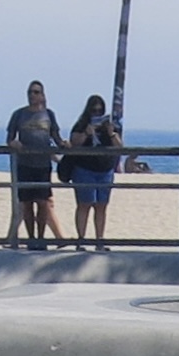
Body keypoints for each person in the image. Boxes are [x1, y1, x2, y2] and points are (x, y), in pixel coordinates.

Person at [5, 80, 66, 248]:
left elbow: (56, 137)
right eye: (30, 92)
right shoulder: (19, 114)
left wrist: (63, 144)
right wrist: (13, 143)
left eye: (36, 92)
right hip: (24, 164)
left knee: (43, 203)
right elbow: (9, 138)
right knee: (26, 204)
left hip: (43, 165)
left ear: (42, 95)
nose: (33, 95)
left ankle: (40, 237)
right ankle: (31, 238)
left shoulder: (49, 115)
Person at [66, 95, 121, 249]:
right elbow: (74, 142)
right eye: (94, 111)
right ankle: (81, 240)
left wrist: (111, 133)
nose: (97, 113)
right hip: (85, 169)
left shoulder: (109, 126)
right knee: (84, 204)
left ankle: (99, 240)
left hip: (105, 170)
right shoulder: (81, 124)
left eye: (100, 111)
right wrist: (86, 133)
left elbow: (119, 146)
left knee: (101, 205)